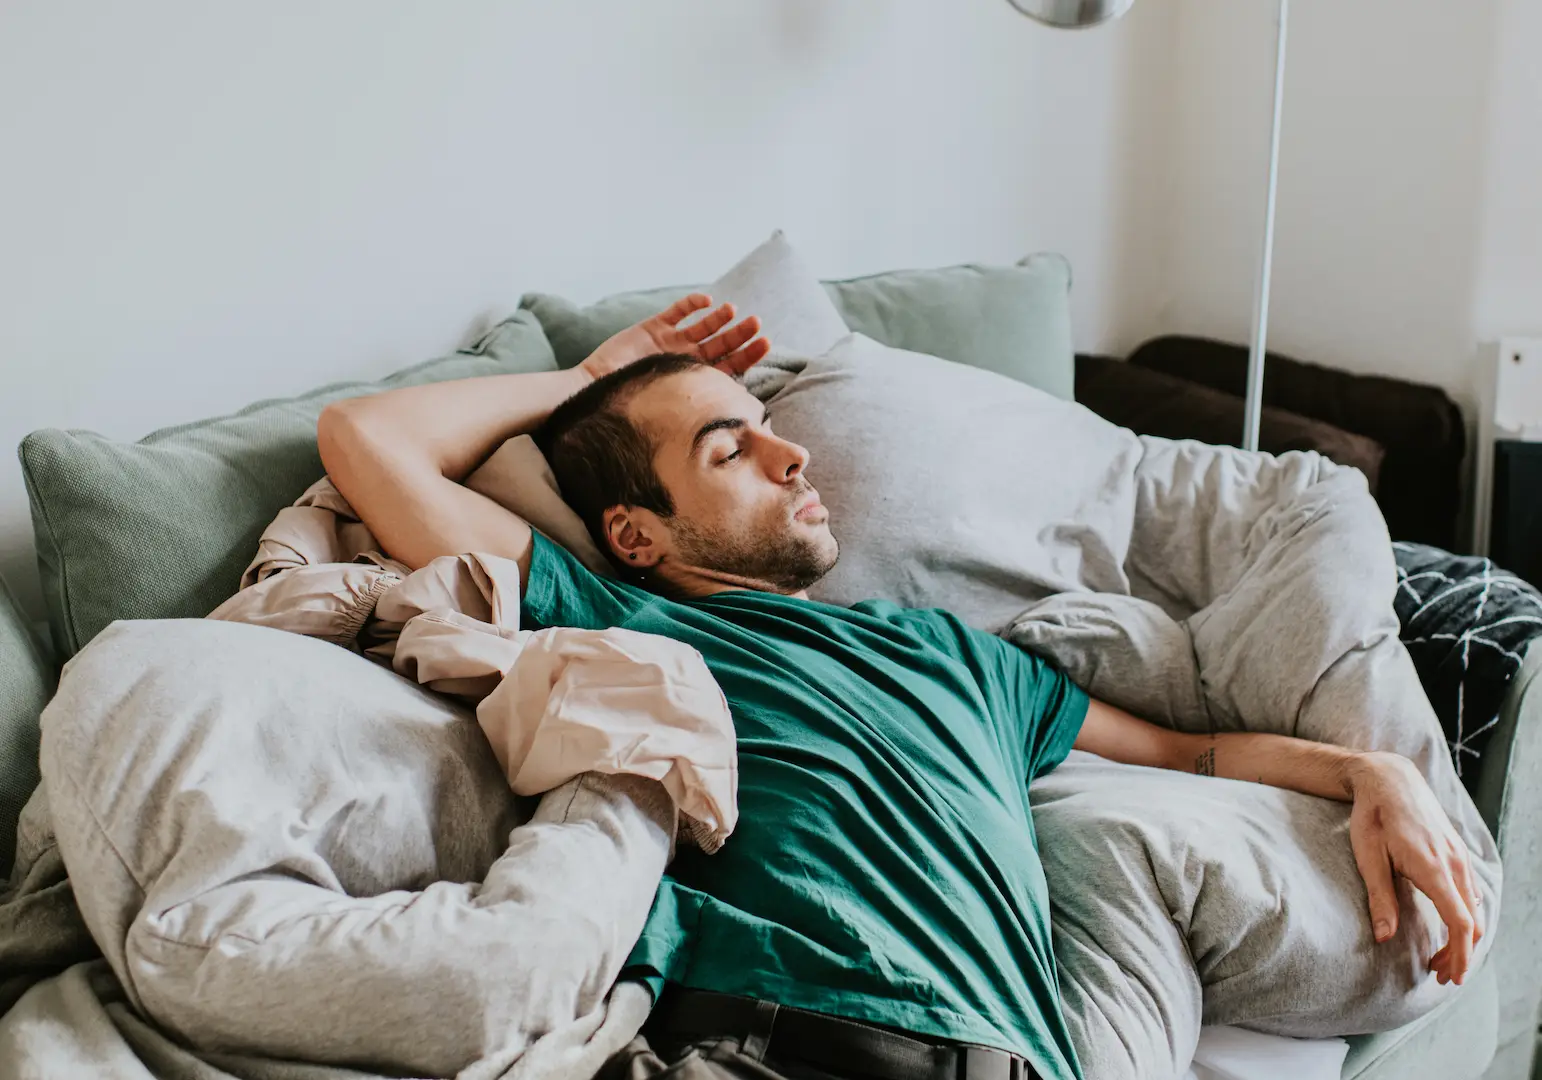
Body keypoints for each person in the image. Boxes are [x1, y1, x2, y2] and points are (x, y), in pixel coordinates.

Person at [318, 295, 1483, 1080]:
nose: (793, 455)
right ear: (634, 532)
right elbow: (362, 439)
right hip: (779, 1042)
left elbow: (1198, 758)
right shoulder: (629, 619)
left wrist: (1369, 768)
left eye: (770, 429)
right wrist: (586, 375)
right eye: (730, 451)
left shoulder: (955, 653)